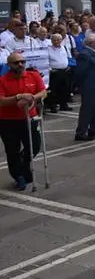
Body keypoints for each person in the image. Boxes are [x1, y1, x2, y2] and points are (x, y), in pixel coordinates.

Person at [0, 53, 46, 190]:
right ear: (9, 65)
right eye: (16, 63)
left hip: (29, 118)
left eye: (22, 62)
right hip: (8, 121)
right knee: (12, 150)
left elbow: (43, 92)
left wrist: (32, 97)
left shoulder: (33, 76)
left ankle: (23, 164)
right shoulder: (3, 80)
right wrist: (18, 97)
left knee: (35, 145)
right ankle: (18, 176)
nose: (20, 64)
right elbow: (1, 101)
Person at [74, 33, 95, 141]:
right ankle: (81, 132)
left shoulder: (94, 52)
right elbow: (80, 72)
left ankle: (94, 129)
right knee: (87, 110)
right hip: (89, 86)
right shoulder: (85, 54)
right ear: (91, 43)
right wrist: (82, 85)